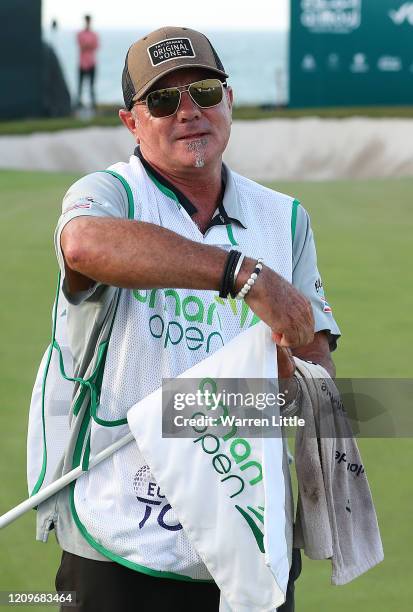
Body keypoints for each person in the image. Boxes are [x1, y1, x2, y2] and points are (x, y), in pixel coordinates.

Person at [39, 26, 340, 611]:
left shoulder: (285, 218)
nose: (187, 112)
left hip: (250, 536)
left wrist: (235, 399)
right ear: (132, 122)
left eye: (203, 91)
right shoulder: (111, 194)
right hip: (118, 536)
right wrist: (240, 274)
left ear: (227, 100)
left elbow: (315, 375)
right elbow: (82, 246)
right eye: (161, 100)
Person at [76, 15, 99, 109]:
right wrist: (89, 45)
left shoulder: (94, 34)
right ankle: (78, 105)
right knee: (80, 86)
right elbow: (82, 46)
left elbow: (95, 46)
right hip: (82, 64)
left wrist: (87, 46)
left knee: (91, 86)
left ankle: (93, 106)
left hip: (91, 63)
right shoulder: (80, 34)